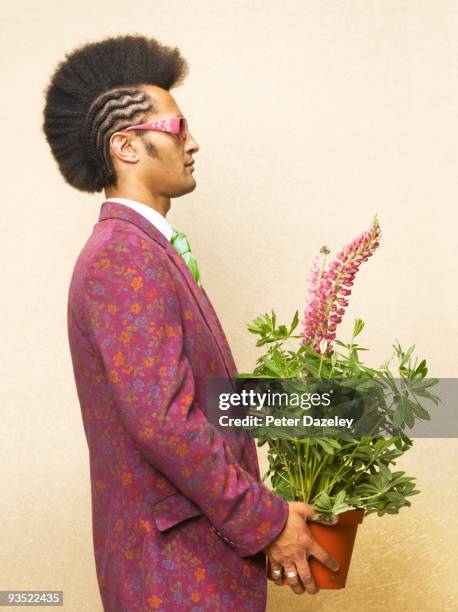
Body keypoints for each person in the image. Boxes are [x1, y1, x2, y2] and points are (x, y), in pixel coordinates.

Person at [42, 34, 339, 611]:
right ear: (128, 146)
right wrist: (268, 519)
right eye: (178, 128)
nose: (194, 143)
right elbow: (163, 422)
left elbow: (200, 401)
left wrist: (350, 407)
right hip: (174, 575)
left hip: (196, 564)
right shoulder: (121, 256)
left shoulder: (148, 251)